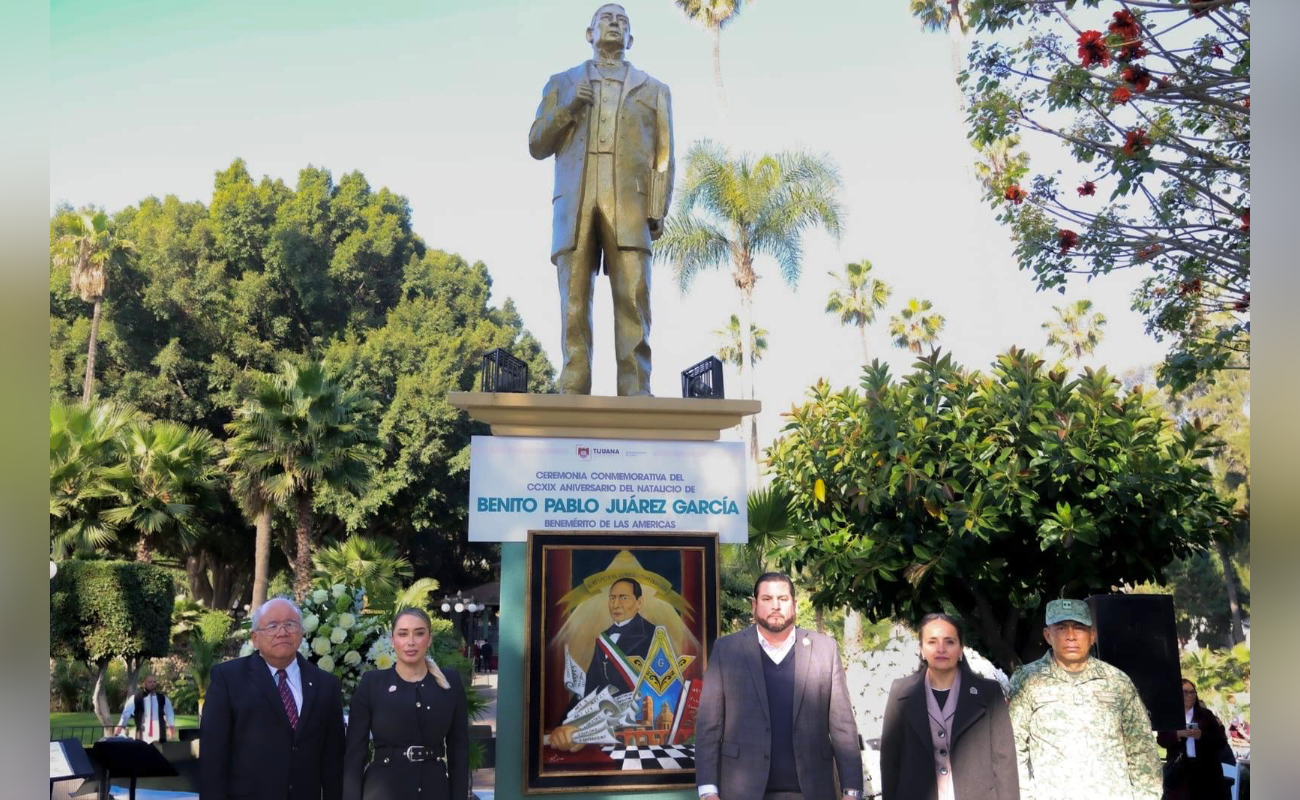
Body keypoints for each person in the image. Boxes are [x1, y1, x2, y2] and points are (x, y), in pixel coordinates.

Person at [528, 3, 674, 396]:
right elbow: (537, 143)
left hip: (630, 203)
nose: (614, 24)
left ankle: (636, 386)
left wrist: (657, 208)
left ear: (631, 39)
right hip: (575, 201)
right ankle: (574, 383)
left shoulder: (655, 89)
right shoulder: (562, 82)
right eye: (605, 19)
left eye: (622, 21)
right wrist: (569, 107)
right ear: (589, 33)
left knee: (634, 299)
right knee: (574, 300)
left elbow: (663, 155)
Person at [694, 572, 863, 800]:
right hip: (742, 792)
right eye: (767, 599)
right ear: (754, 604)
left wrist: (852, 791)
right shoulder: (727, 650)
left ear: (794, 604)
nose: (775, 606)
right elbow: (709, 727)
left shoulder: (825, 649)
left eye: (783, 599)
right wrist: (708, 791)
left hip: (813, 791)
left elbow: (843, 727)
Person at [1008, 598, 1162, 800]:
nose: (1071, 636)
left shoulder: (1117, 681)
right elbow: (1013, 748)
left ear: (1092, 636)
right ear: (1047, 635)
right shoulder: (1026, 680)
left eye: (1079, 628)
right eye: (1061, 628)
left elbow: (1142, 747)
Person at [199, 597, 345, 800]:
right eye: (272, 626)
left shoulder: (326, 684)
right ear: (255, 637)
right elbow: (213, 757)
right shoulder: (228, 679)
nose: (282, 632)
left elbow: (333, 760)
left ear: (301, 633)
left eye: (290, 624)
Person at [879, 613, 1018, 800]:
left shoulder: (989, 692)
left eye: (950, 642)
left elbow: (1004, 759)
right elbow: (890, 759)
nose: (941, 649)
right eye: (932, 642)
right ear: (921, 649)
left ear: (961, 649)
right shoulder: (901, 691)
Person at [343, 608, 469, 800]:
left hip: (434, 791)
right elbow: (355, 754)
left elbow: (459, 749)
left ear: (429, 639)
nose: (411, 642)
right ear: (393, 640)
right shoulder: (372, 684)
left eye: (419, 633)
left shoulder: (449, 682)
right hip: (382, 791)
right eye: (403, 634)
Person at [549, 577, 656, 751]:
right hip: (602, 731)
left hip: (633, 730)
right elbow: (591, 689)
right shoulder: (604, 637)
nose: (615, 604)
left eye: (623, 597)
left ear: (639, 602)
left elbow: (655, 692)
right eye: (612, 598)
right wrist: (566, 723)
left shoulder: (654, 635)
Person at [1156, 679, 1232, 800]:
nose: (1190, 695)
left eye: (1192, 692)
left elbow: (1220, 741)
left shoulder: (1205, 715)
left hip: (1205, 771)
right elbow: (1161, 740)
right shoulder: (1170, 716)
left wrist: (1201, 736)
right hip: (1179, 770)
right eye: (1186, 692)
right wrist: (1178, 734)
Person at [114, 673, 176, 743]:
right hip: (142, 736)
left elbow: (170, 714)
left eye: (154, 682)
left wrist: (171, 728)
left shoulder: (164, 699)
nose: (153, 684)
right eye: (150, 682)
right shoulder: (135, 698)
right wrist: (119, 728)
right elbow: (125, 715)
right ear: (144, 684)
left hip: (160, 737)